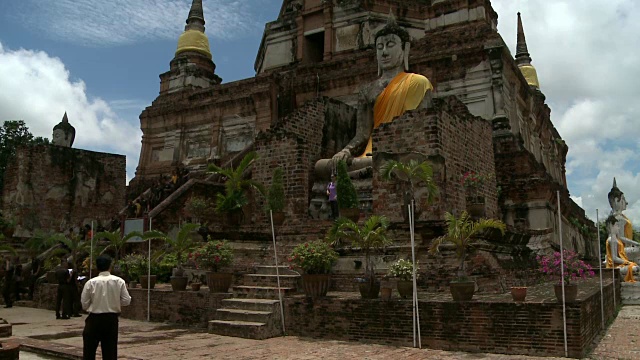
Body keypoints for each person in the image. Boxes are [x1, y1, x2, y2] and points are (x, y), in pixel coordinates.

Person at [315, 14, 433, 178]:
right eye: (379, 47)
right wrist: (345, 151)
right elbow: (362, 135)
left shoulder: (419, 83)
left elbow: (422, 128)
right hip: (370, 155)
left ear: (405, 48)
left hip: (404, 153)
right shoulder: (367, 90)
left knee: (405, 163)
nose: (384, 52)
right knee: (322, 167)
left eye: (390, 45)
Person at [81, 254, 131, 360]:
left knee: (89, 352)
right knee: (110, 352)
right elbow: (126, 301)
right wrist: (114, 302)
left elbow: (84, 304)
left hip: (94, 319)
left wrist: (95, 304)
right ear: (110, 266)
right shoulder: (119, 281)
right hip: (111, 319)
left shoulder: (90, 283)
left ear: (97, 267)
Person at [605, 178, 640, 282]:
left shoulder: (621, 217)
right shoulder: (617, 219)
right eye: (623, 199)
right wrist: (636, 243)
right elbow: (620, 237)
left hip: (623, 250)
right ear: (616, 200)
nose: (626, 202)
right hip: (621, 250)